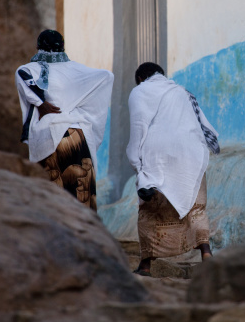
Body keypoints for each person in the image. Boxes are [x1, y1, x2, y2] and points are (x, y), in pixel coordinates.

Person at [127, 62, 219, 276]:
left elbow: (138, 128)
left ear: (140, 78)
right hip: (191, 152)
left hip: (157, 154)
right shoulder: (181, 91)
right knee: (196, 208)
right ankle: (206, 254)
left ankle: (146, 264)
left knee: (150, 209)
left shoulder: (140, 91)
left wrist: (137, 164)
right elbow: (202, 124)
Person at [15, 30, 113, 211]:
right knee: (81, 199)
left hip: (51, 137)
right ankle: (85, 238)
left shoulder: (32, 69)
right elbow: (107, 76)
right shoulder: (76, 70)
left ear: (38, 47)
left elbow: (22, 74)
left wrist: (41, 103)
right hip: (78, 136)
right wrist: (79, 106)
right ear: (63, 47)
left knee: (53, 201)